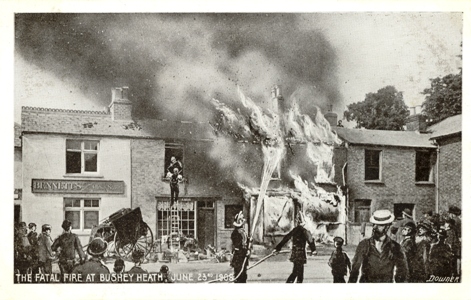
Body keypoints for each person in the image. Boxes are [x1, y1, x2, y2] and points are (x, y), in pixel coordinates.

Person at [348, 209, 408, 283]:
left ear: (387, 227)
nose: (375, 227)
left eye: (380, 225)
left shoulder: (395, 247)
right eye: (374, 224)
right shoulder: (364, 244)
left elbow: (402, 272)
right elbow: (354, 270)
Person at [273, 211, 317, 283]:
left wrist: (277, 248)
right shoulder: (305, 231)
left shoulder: (295, 230)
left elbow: (286, 238)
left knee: (298, 271)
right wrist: (313, 250)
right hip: (300, 253)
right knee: (298, 272)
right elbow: (310, 240)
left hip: (295, 252)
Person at [230, 211, 250, 283]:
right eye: (241, 220)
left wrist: (249, 241)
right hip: (239, 256)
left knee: (243, 274)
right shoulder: (235, 233)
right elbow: (238, 246)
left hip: (243, 256)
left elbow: (245, 242)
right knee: (239, 274)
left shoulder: (243, 232)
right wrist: (245, 251)